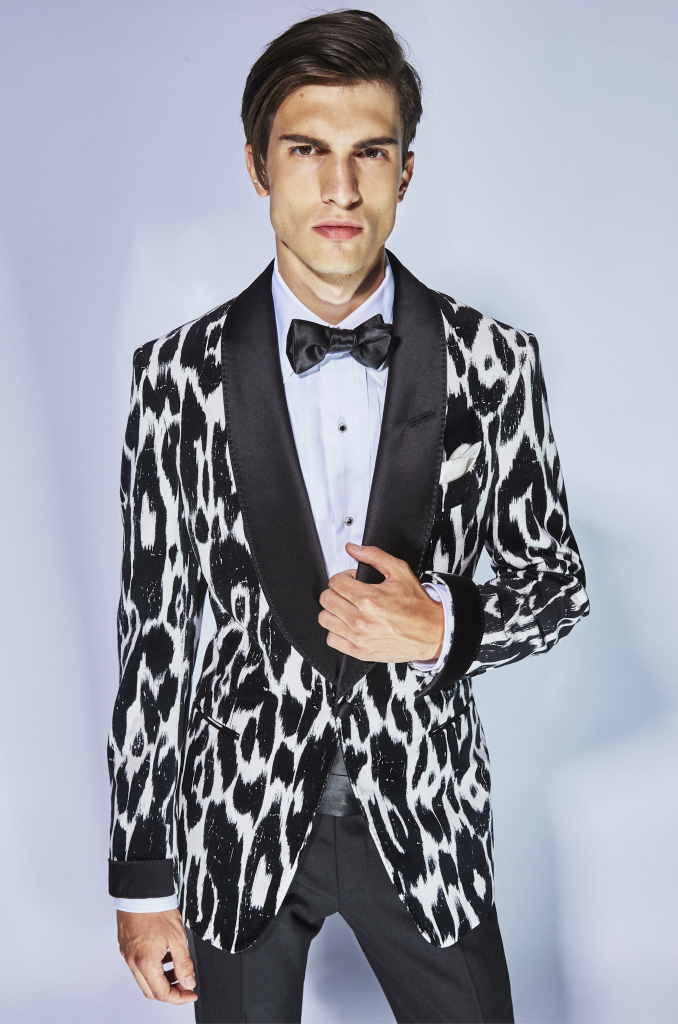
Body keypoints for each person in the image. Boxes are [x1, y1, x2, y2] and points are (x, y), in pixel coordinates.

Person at [108, 10, 589, 1023]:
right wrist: (142, 877)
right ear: (257, 167)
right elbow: (153, 633)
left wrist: (444, 624)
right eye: (306, 151)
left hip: (424, 814)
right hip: (236, 827)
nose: (339, 187)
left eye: (369, 152)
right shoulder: (173, 378)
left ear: (404, 172)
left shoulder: (495, 362)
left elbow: (555, 583)